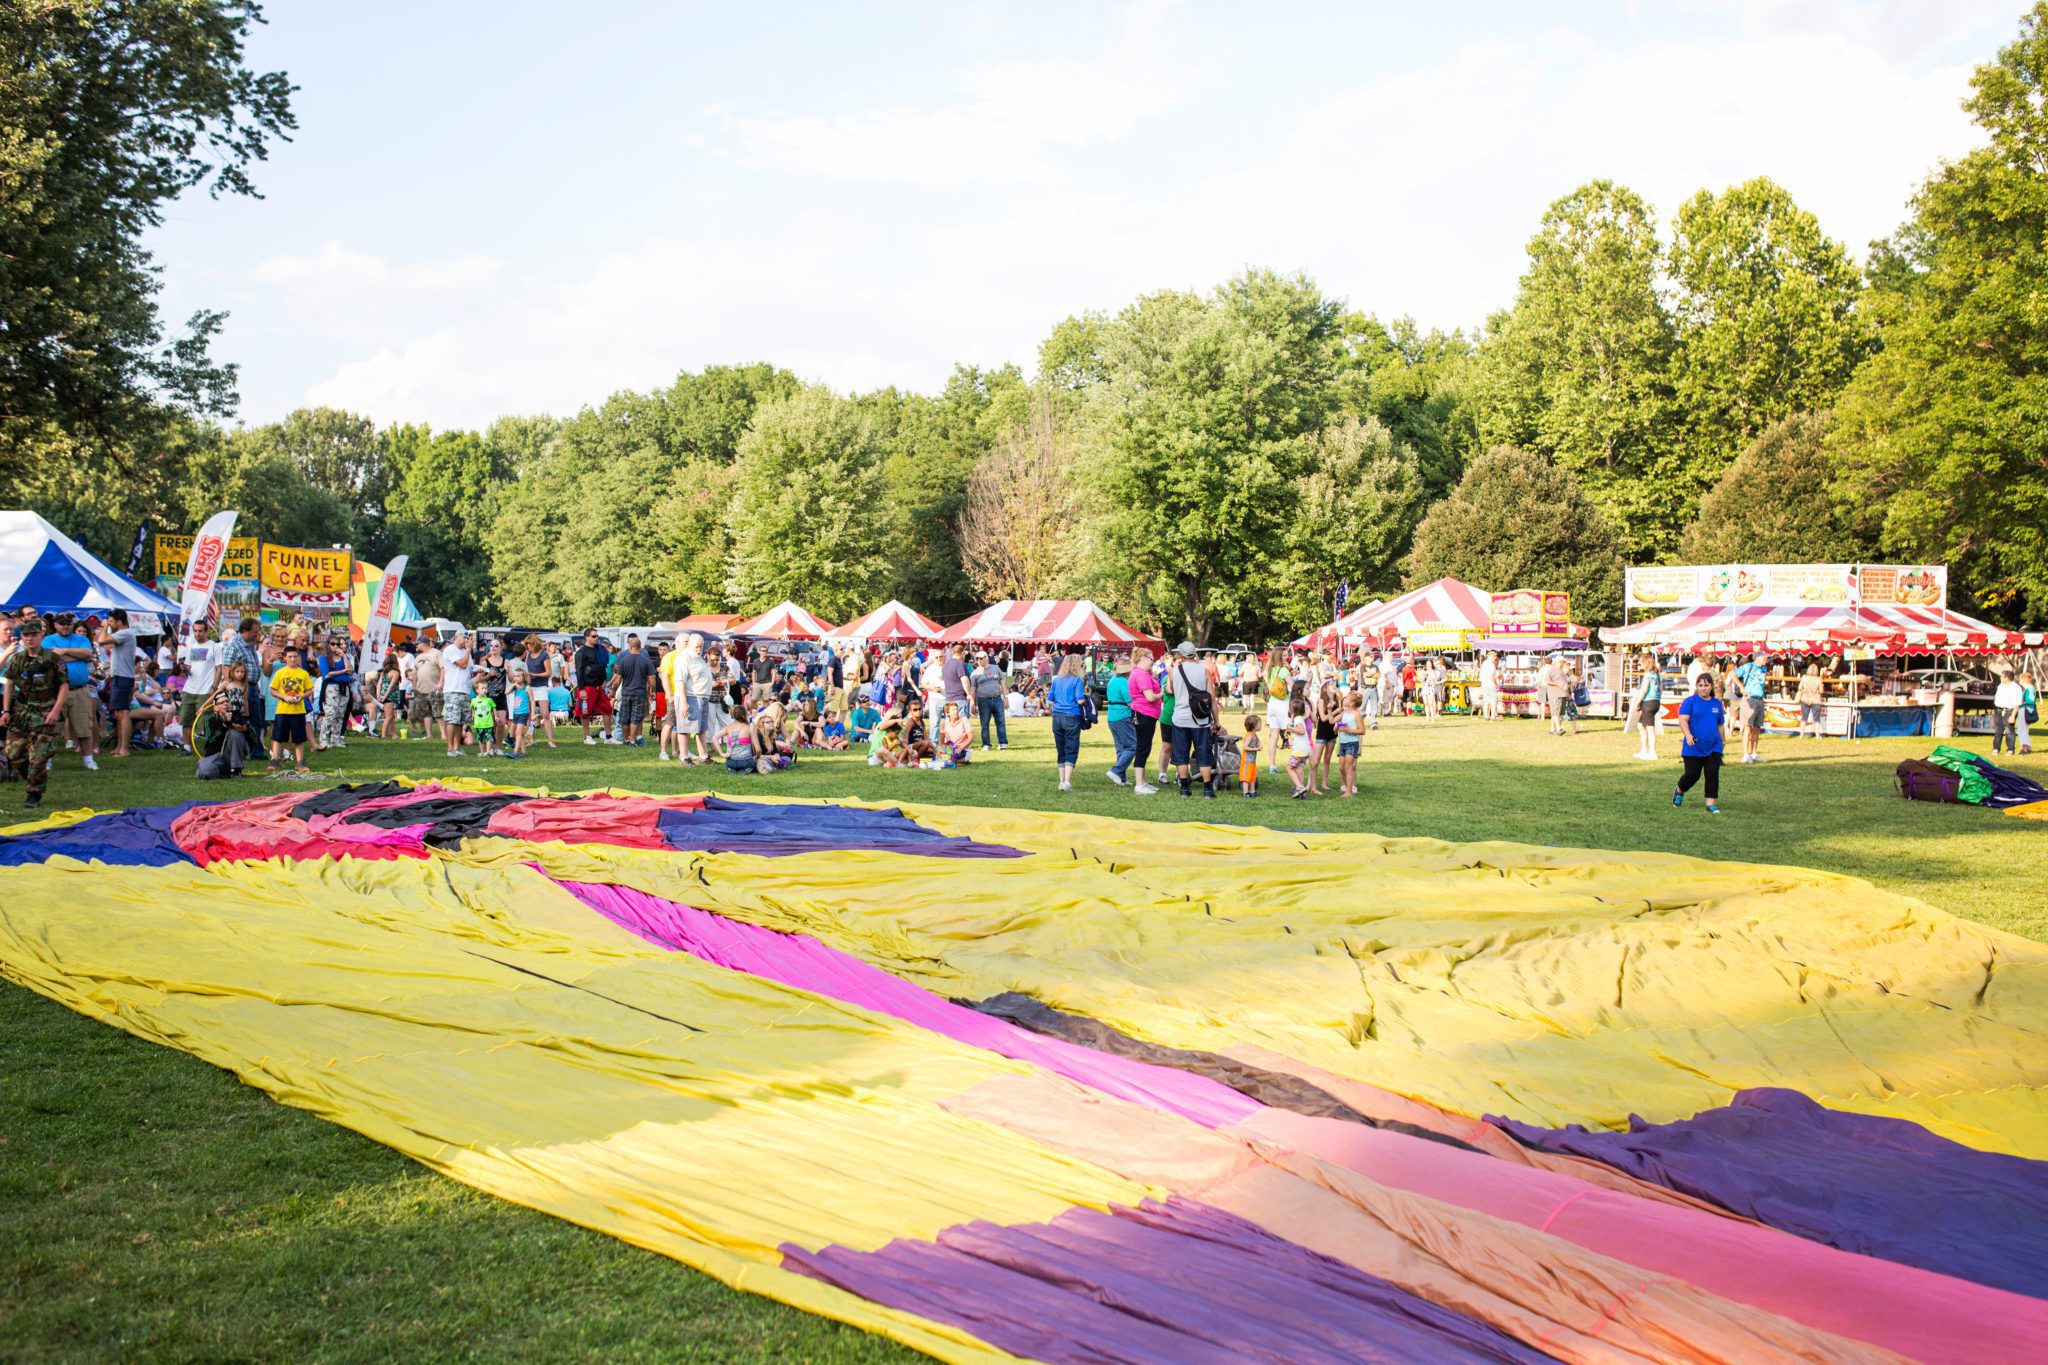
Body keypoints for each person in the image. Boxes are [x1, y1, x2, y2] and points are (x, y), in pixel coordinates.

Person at [0, 617, 68, 808]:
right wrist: (5, 711)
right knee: (14, 755)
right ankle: (33, 778)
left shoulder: (53, 659)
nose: (29, 638)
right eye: (26, 635)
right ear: (21, 637)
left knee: (38, 757)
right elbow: (10, 685)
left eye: (33, 635)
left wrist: (55, 710)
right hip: (21, 712)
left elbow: (63, 686)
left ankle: (33, 795)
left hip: (45, 711)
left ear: (41, 636)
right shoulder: (18, 660)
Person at [42, 612, 99, 772]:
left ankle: (88, 760)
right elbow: (49, 658)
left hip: (80, 689)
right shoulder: (48, 640)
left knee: (84, 726)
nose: (65, 626)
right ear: (55, 625)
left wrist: (65, 651)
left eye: (68, 623)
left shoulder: (82, 639)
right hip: (56, 690)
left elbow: (88, 654)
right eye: (61, 623)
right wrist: (77, 656)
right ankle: (48, 760)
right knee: (51, 727)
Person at [1165, 640, 1217, 799]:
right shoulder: (1205, 671)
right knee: (1204, 754)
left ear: (1180, 654)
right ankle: (1208, 789)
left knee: (1181, 754)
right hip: (1201, 719)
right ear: (1194, 654)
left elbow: (1170, 690)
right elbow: (1212, 699)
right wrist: (1217, 721)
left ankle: (1184, 788)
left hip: (1180, 718)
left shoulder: (1174, 671)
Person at [1674, 670, 1725, 814]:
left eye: (1706, 685)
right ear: (1697, 686)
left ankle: (1711, 804)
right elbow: (1683, 720)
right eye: (1701, 685)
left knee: (1712, 772)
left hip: (1714, 745)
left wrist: (1722, 741)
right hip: (1694, 745)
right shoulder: (1690, 701)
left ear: (1711, 687)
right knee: (1692, 775)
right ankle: (1679, 789)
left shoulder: (1716, 704)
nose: (1703, 688)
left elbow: (1720, 724)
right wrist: (1688, 735)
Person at [193, 662, 253, 780]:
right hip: (225, 715)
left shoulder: (244, 685)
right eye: (237, 671)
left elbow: (245, 702)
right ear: (232, 672)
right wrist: (203, 706)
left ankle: (236, 767)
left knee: (237, 734)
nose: (240, 674)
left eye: (242, 672)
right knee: (226, 731)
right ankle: (215, 763)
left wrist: (246, 718)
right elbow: (216, 695)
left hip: (237, 716)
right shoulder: (227, 684)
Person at [267, 645, 314, 773]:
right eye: (290, 657)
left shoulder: (303, 673)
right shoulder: (280, 673)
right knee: (277, 737)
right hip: (283, 710)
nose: (292, 659)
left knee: (299, 738)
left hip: (298, 711)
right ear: (284, 658)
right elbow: (272, 690)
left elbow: (309, 690)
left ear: (298, 657)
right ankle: (275, 761)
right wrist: (283, 697)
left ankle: (299, 763)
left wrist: (302, 696)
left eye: (295, 657)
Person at [175, 620, 219, 749]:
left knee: (205, 721)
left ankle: (208, 747)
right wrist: (185, 669)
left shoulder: (214, 646)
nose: (197, 634)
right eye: (195, 631)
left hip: (206, 689)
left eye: (200, 631)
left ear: (206, 631)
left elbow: (219, 668)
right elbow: (189, 666)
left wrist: (214, 687)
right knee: (186, 719)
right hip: (190, 688)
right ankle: (186, 747)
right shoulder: (191, 646)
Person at [1048, 654, 1088, 791]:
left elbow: (1050, 700)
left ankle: (1061, 781)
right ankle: (1067, 781)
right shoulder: (1077, 680)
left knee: (1061, 749)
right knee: (1071, 747)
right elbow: (1080, 700)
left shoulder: (1057, 680)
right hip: (1071, 715)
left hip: (1057, 716)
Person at [313, 637, 356, 751]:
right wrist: (342, 671)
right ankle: (323, 739)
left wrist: (344, 656)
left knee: (340, 713)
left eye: (338, 644)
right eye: (333, 644)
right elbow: (326, 675)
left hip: (344, 686)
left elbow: (350, 669)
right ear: (328, 645)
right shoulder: (324, 658)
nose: (336, 646)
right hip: (331, 686)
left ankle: (336, 738)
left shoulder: (343, 657)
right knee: (331, 712)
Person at [612, 634, 655, 746]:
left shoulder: (624, 661)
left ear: (630, 647)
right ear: (640, 648)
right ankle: (632, 740)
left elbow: (617, 679)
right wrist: (652, 691)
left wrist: (613, 691)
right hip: (640, 693)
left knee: (625, 717)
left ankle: (626, 740)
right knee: (635, 718)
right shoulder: (646, 661)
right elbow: (652, 678)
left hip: (626, 693)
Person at [572, 630, 612, 744]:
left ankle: (608, 737)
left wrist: (604, 679)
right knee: (585, 712)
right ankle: (587, 737)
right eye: (593, 636)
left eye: (597, 636)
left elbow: (603, 666)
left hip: (599, 686)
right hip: (588, 686)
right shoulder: (581, 652)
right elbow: (579, 671)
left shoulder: (599, 649)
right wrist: (582, 689)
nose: (596, 638)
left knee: (607, 709)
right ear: (587, 637)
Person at [1104, 654, 1137, 787]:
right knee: (1132, 746)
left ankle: (1120, 778)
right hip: (1122, 716)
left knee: (1121, 748)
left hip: (1112, 716)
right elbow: (1130, 702)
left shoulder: (1112, 679)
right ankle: (1116, 771)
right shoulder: (1124, 682)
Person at [442, 631, 474, 758]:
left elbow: (470, 668)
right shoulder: (450, 649)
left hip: (465, 689)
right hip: (453, 689)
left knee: (461, 720)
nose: (466, 639)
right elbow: (462, 664)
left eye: (468, 637)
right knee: (452, 719)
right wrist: (468, 650)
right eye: (464, 637)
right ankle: (450, 748)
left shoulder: (466, 651)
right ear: (456, 637)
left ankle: (457, 747)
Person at [1735, 651, 1770, 763]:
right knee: (1747, 727)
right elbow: (1733, 674)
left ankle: (1754, 753)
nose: (1765, 660)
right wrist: (1741, 687)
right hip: (1750, 699)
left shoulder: (1764, 669)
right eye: (1764, 658)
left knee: (1757, 728)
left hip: (1760, 699)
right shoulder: (1748, 666)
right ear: (1757, 658)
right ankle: (1746, 754)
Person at [971, 651, 1007, 751]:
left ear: (986, 658)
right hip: (983, 701)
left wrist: (1006, 698)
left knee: (1000, 722)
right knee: (984, 724)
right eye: (977, 659)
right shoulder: (975, 673)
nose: (979, 660)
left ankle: (1003, 743)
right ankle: (986, 744)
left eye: (981, 658)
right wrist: (972, 703)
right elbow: (973, 690)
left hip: (997, 699)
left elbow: (1003, 683)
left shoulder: (995, 668)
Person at [410, 638, 444, 743]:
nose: (416, 646)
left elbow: (443, 668)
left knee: (438, 713)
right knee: (425, 713)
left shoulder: (437, 653)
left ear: (424, 644)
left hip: (434, 688)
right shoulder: (418, 657)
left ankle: (444, 735)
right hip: (420, 689)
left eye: (417, 643)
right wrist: (414, 687)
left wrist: (441, 682)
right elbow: (414, 673)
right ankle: (429, 735)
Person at [1632, 660, 1664, 760]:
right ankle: (1644, 750)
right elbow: (1661, 689)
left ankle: (1652, 752)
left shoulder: (1648, 675)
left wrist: (1637, 702)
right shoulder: (1657, 675)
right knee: (1641, 725)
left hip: (1648, 702)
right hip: (1656, 701)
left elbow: (1644, 690)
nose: (1639, 665)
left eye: (1641, 663)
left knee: (1650, 728)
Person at [1336, 690, 1364, 797]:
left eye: (1347, 698)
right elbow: (1332, 721)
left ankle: (1349, 791)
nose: (1345, 699)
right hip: (1342, 743)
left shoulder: (1357, 715)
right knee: (1341, 768)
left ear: (1352, 703)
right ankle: (1348, 787)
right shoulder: (1344, 713)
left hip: (1352, 743)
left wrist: (1349, 730)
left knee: (1348, 767)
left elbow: (1362, 731)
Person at [1992, 665, 2024, 756]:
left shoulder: (2016, 688)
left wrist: (2013, 715)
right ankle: (1996, 748)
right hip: (1998, 709)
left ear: (2006, 678)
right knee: (1998, 730)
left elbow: (2017, 703)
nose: (2000, 678)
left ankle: (2010, 749)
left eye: (2002, 676)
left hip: (2009, 710)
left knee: (2009, 730)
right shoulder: (2001, 686)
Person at [1796, 663, 1826, 739]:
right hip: (1815, 700)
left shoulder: (1804, 677)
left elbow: (1799, 687)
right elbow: (1821, 691)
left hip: (1805, 699)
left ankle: (1801, 735)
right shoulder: (1819, 679)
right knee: (1816, 718)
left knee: (1804, 718)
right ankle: (1817, 735)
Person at [1239, 714, 1262, 798]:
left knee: (1252, 777)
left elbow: (1257, 742)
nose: (1261, 725)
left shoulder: (1254, 735)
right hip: (1247, 761)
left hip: (1252, 761)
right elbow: (1245, 747)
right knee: (1246, 778)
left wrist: (1259, 744)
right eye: (1260, 723)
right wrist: (1256, 749)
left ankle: (1252, 791)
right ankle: (1245, 792)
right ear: (1254, 726)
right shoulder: (1249, 736)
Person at [1478, 651, 1501, 722]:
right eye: (1494, 656)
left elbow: (1481, 675)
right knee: (1493, 701)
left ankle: (1486, 715)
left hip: (1484, 684)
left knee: (1486, 701)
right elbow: (1491, 676)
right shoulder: (1491, 665)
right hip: (1491, 685)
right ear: (1490, 656)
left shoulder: (1484, 664)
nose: (1495, 658)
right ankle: (1493, 716)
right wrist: (1496, 684)